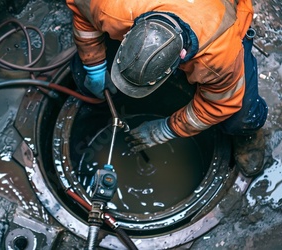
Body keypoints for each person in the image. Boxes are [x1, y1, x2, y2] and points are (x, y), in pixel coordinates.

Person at [66, 0, 268, 177]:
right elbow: (82, 11)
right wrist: (94, 66)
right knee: (81, 72)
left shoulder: (218, 59)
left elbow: (219, 104)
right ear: (129, 33)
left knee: (240, 118)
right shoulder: (113, 7)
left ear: (178, 61)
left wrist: (166, 129)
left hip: (222, 19)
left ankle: (247, 134)